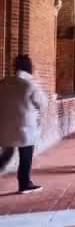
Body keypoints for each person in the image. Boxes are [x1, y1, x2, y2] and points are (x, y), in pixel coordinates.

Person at [0, 55, 48, 194]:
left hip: (4, 126)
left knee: (6, 154)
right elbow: (43, 103)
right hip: (24, 128)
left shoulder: (3, 82)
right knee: (25, 156)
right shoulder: (30, 85)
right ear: (29, 67)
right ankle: (24, 183)